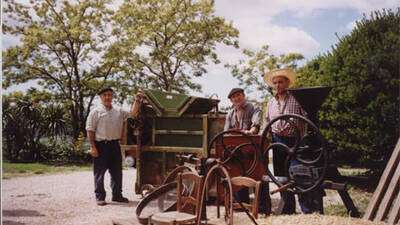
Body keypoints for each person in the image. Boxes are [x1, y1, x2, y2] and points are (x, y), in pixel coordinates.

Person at [264, 68, 323, 214]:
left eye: (281, 82)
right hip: (277, 142)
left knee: (299, 175)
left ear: (287, 83)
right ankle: (288, 210)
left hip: (296, 142)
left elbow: (308, 118)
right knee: (282, 178)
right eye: (275, 83)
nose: (278, 85)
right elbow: (267, 122)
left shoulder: (297, 99)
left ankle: (307, 211)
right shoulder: (271, 102)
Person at [86, 87, 143, 206]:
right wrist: (93, 147)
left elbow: (133, 114)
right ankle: (100, 197)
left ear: (112, 97)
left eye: (110, 95)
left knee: (117, 172)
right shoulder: (95, 112)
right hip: (100, 145)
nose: (108, 97)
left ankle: (117, 195)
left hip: (114, 145)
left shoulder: (118, 111)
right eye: (105, 95)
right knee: (99, 172)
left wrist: (137, 100)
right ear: (101, 97)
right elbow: (90, 130)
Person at [223, 88, 263, 209]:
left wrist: (250, 132)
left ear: (243, 95)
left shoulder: (253, 107)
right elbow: (225, 133)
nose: (237, 98)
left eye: (239, 95)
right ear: (231, 100)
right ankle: (241, 205)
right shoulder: (230, 114)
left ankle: (261, 208)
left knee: (258, 176)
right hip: (237, 151)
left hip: (252, 148)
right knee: (237, 174)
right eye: (233, 97)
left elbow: (255, 126)